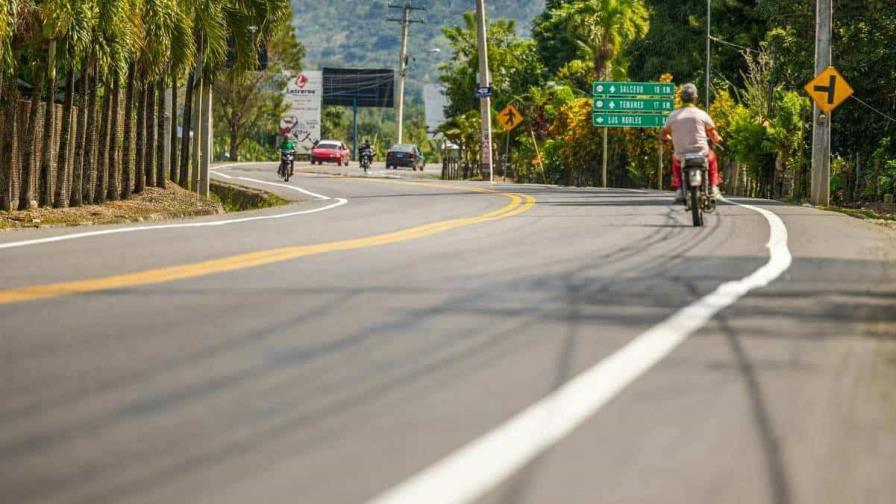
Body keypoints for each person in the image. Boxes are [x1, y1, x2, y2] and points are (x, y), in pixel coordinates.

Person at [660, 83, 722, 202]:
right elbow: (713, 135)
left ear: (681, 98)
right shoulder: (702, 114)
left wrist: (668, 138)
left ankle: (679, 188)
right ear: (695, 98)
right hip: (701, 153)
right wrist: (718, 140)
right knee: (712, 157)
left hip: (681, 155)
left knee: (675, 159)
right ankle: (713, 186)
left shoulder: (672, 116)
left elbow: (663, 134)